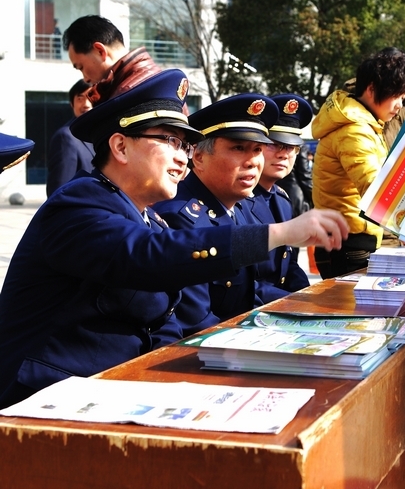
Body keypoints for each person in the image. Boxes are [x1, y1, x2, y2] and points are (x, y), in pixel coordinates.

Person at [0, 69, 348, 408]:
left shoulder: (149, 217)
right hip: (42, 402)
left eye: (185, 145)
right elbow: (147, 256)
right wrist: (278, 234)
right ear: (120, 146)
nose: (183, 158)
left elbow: (166, 324)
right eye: (170, 141)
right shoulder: (79, 204)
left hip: (114, 393)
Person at [152, 92, 285, 335]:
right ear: (199, 158)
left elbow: (250, 292)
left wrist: (308, 304)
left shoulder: (239, 207)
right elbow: (195, 323)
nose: (253, 161)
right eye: (238, 148)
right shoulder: (180, 218)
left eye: (257, 149)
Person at [311, 47, 405, 279]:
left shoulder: (363, 123)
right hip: (350, 243)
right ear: (371, 89)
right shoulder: (354, 129)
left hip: (350, 237)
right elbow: (373, 186)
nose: (400, 105)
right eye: (397, 96)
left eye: (403, 98)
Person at [248, 93, 315, 304]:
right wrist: (292, 301)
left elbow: (288, 265)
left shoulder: (282, 200)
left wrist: (311, 298)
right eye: (274, 144)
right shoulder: (237, 201)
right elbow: (245, 282)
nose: (284, 153)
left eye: (291, 146)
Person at [62, 15, 161, 105]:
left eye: (81, 67)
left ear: (100, 51)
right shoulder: (157, 80)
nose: (85, 79)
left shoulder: (123, 97)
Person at [46, 79, 94, 197]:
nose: (86, 104)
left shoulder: (101, 135)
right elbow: (59, 191)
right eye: (80, 98)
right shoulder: (65, 138)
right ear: (72, 104)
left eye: (90, 97)